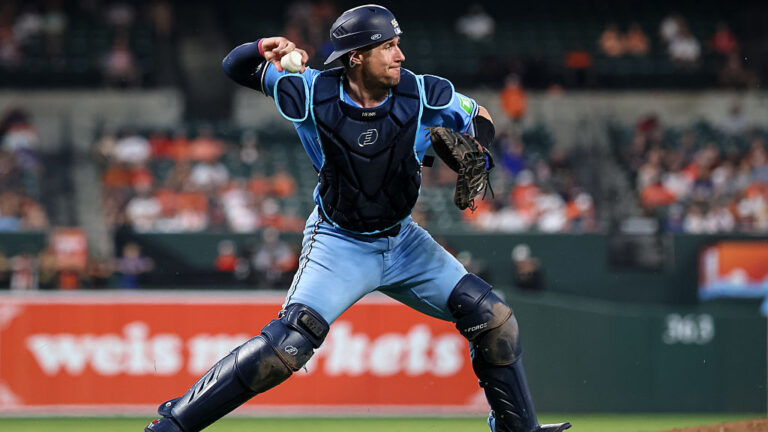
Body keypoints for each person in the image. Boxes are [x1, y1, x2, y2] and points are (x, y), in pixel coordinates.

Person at [145, 5, 570, 432]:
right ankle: (173, 425)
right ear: (356, 57)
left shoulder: (423, 93)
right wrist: (262, 46)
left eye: (398, 44)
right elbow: (234, 66)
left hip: (403, 241)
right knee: (285, 349)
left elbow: (480, 116)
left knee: (495, 321)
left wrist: (477, 148)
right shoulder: (311, 93)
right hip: (339, 241)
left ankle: (518, 430)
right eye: (387, 47)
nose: (400, 55)